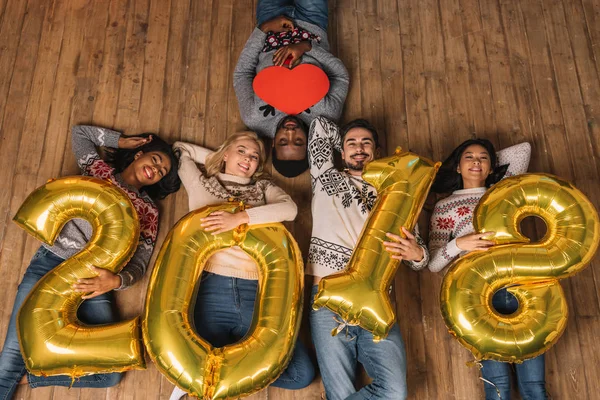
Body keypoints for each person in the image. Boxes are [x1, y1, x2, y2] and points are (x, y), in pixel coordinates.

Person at [0, 125, 180, 399]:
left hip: (96, 283)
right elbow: (78, 133)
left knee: (111, 372)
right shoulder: (99, 172)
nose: (155, 169)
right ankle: (18, 373)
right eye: (155, 160)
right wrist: (121, 141)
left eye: (162, 171)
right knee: (12, 356)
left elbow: (140, 264)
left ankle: (34, 375)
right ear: (138, 154)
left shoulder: (149, 211)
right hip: (51, 264)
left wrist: (116, 281)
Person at [168, 132, 315, 400]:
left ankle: (226, 380)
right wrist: (217, 156)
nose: (247, 158)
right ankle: (209, 382)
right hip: (212, 289)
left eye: (254, 156)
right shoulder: (202, 183)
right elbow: (179, 150)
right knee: (200, 370)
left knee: (301, 374)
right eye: (241, 151)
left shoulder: (264, 188)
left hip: (256, 291)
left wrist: (240, 218)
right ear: (225, 154)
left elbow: (290, 210)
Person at [306, 116, 429, 400]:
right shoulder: (326, 178)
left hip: (376, 296)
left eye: (366, 143)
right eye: (352, 143)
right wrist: (349, 143)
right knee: (339, 393)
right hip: (327, 296)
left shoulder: (397, 193)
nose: (359, 148)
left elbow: (418, 254)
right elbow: (320, 126)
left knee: (395, 393)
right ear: (341, 151)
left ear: (377, 149)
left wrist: (418, 254)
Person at [428, 139, 547, 400]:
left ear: (492, 165)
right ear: (457, 167)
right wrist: (461, 243)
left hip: (522, 289)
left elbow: (523, 150)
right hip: (477, 300)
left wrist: (485, 166)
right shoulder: (444, 207)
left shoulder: (504, 190)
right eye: (468, 157)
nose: (476, 162)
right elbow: (434, 263)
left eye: (483, 157)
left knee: (534, 385)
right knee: (497, 385)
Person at [234, 0, 349, 178]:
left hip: (271, 21)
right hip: (313, 23)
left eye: (282, 142)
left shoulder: (254, 117)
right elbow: (341, 77)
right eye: (298, 141)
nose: (290, 132)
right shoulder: (326, 115)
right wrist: (307, 47)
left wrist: (263, 29)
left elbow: (242, 74)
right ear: (309, 143)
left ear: (273, 143)